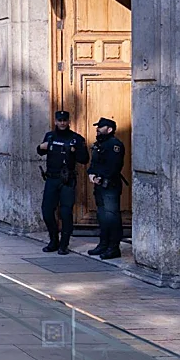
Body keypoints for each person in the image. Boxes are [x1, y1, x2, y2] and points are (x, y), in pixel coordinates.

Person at [37, 109, 88, 255]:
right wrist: (41, 146)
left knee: (66, 212)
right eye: (59, 120)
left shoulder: (76, 138)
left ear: (68, 122)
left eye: (64, 120)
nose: (62, 123)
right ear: (55, 121)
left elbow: (84, 159)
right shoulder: (50, 136)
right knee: (47, 211)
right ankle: (53, 240)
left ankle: (64, 244)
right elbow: (40, 151)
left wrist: (74, 150)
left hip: (67, 180)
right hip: (51, 178)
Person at [87, 116, 125, 260]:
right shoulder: (99, 144)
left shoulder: (115, 145)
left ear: (109, 129)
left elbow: (114, 166)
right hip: (99, 186)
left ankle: (114, 247)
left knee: (112, 217)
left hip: (110, 186)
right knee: (102, 216)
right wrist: (91, 174)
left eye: (100, 127)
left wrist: (101, 177)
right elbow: (94, 163)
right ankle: (103, 244)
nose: (97, 129)